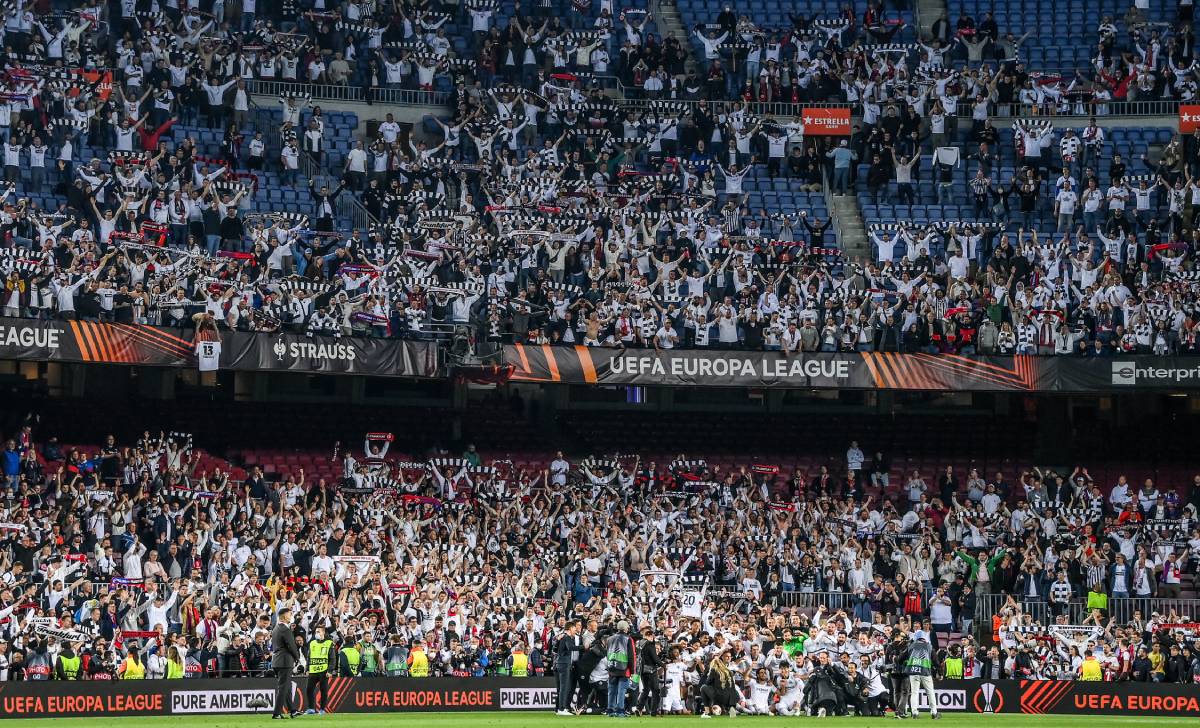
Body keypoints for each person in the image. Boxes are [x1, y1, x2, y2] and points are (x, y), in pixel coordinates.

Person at [270, 608, 302, 719]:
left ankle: (293, 710)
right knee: (283, 687)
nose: (291, 615)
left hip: (277, 661)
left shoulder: (276, 628)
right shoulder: (285, 629)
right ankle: (277, 713)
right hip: (284, 661)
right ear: (283, 616)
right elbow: (291, 645)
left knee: (287, 687)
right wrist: (297, 657)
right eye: (290, 614)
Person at [906, 630, 940, 720]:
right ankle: (934, 713)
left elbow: (902, 657)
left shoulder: (911, 646)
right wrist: (939, 671)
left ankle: (914, 712)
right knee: (930, 692)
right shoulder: (929, 646)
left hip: (913, 671)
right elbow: (935, 661)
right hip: (925, 671)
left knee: (914, 692)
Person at [605, 620, 636, 717]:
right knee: (621, 690)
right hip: (624, 667)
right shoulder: (628, 639)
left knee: (611, 690)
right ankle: (620, 711)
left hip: (611, 666)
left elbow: (608, 653)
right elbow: (631, 656)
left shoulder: (609, 639)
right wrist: (632, 671)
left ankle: (610, 710)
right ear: (626, 628)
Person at [305, 624, 334, 714]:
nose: (316, 633)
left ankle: (322, 709)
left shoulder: (329, 643)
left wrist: (330, 670)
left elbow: (332, 658)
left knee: (323, 691)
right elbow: (309, 657)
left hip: (323, 671)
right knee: (309, 689)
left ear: (323, 632)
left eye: (318, 631)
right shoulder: (312, 643)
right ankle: (311, 708)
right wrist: (307, 669)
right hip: (313, 670)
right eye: (315, 632)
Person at [555, 620, 581, 716]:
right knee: (564, 687)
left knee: (562, 687)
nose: (576, 630)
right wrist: (583, 647)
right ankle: (562, 709)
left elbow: (555, 649)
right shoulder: (567, 637)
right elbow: (570, 647)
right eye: (574, 628)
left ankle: (559, 709)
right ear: (570, 628)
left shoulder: (562, 637)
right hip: (564, 664)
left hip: (560, 663)